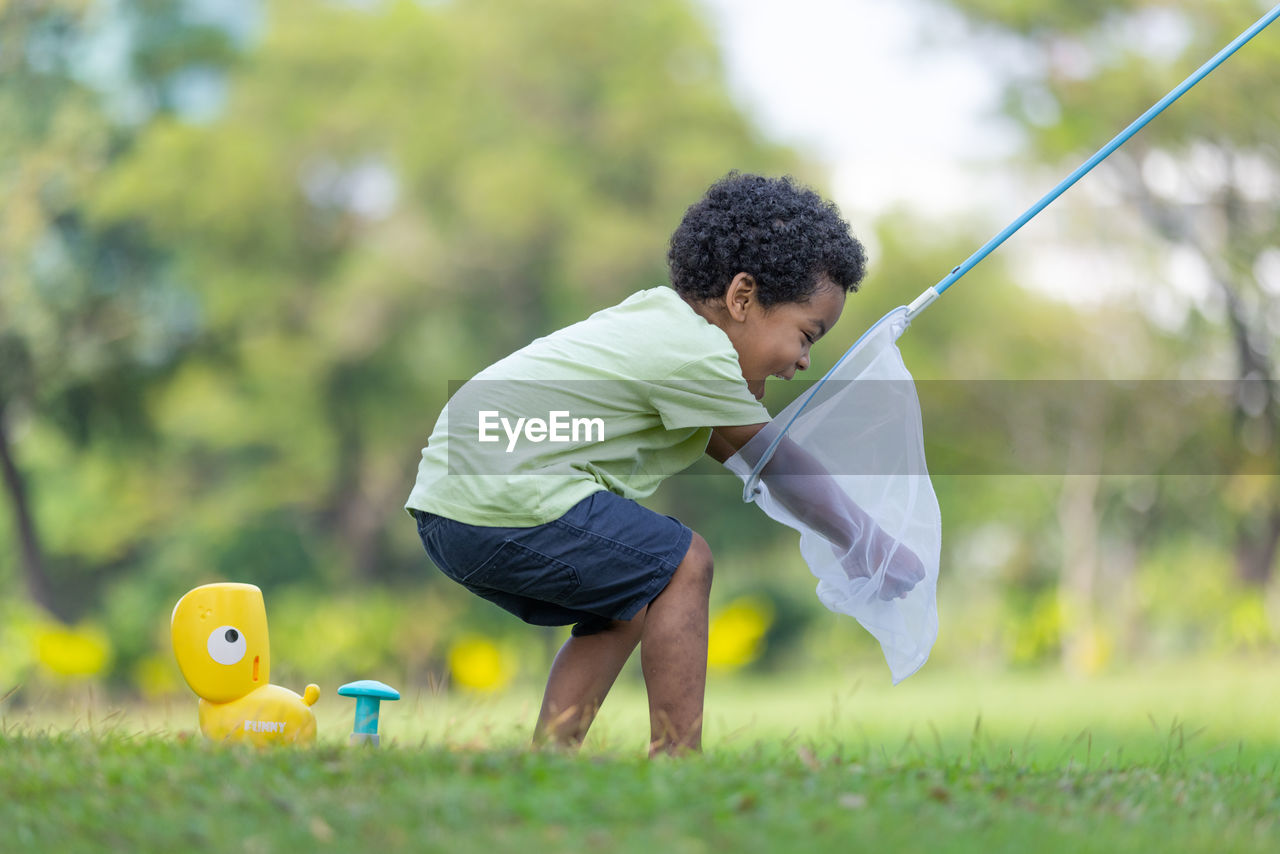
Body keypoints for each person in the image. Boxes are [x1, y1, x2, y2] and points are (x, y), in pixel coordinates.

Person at [405, 172, 920, 756]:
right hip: (498, 493)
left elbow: (743, 457)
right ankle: (678, 758)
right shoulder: (696, 355)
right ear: (742, 298)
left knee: (631, 594)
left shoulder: (660, 327)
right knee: (684, 562)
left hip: (448, 505)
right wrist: (864, 538)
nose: (802, 362)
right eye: (806, 336)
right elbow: (777, 464)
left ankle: (551, 754)